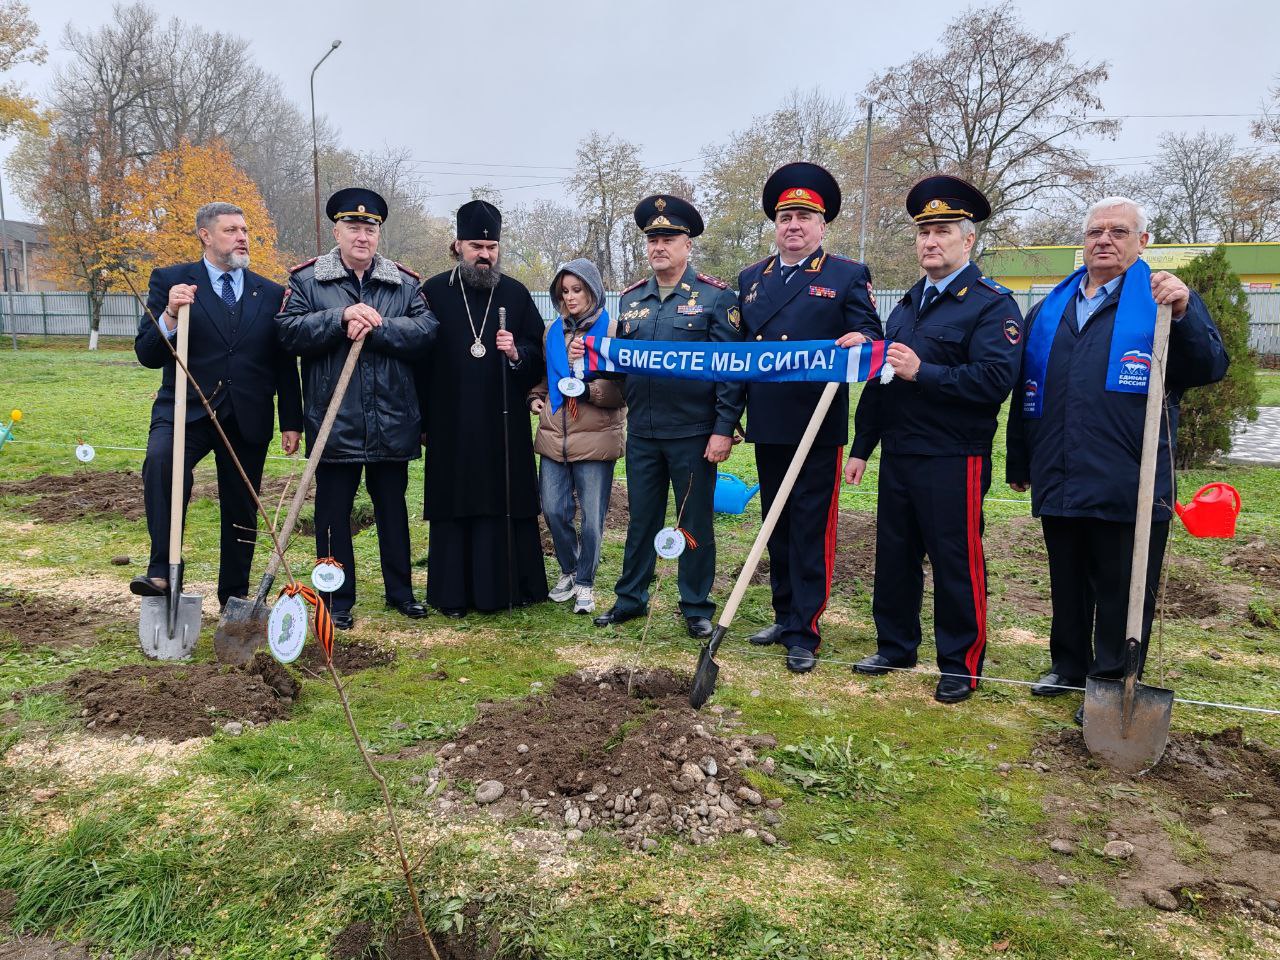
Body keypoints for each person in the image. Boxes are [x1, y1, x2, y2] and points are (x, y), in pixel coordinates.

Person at [1005, 196, 1228, 722]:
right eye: (1095, 231)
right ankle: (1067, 664)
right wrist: (1020, 459)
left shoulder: (1160, 300)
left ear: (1142, 242)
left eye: (1119, 232)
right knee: (1066, 576)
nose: (1104, 240)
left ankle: (1108, 680)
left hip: (1130, 472)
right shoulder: (1049, 307)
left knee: (1122, 585)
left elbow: (1209, 366)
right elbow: (1026, 388)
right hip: (1059, 468)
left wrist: (1186, 311)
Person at [847, 175, 1023, 703]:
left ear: (968, 241)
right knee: (894, 555)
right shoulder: (906, 306)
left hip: (954, 456)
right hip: (900, 451)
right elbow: (884, 378)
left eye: (943, 231)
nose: (930, 241)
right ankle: (895, 645)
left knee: (955, 559)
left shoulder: (992, 305)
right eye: (924, 232)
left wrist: (925, 372)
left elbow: (995, 380)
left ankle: (960, 663)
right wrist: (862, 447)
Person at [737, 162, 882, 673]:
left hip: (817, 423)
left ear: (822, 226)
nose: (793, 225)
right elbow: (738, 354)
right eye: (784, 217)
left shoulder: (846, 275)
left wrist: (862, 340)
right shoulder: (752, 279)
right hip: (770, 420)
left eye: (803, 216)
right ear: (775, 225)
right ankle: (782, 614)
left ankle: (806, 628)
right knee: (773, 523)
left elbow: (871, 336)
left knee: (810, 525)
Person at [275, 188, 437, 630]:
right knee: (332, 513)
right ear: (337, 231)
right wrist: (340, 318)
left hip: (391, 418)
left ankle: (400, 593)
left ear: (378, 234)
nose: (362, 236)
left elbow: (425, 332)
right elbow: (287, 332)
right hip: (334, 421)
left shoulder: (403, 283)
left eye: (370, 228)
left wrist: (379, 326)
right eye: (353, 227)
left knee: (392, 508)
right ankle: (335, 597)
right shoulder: (309, 281)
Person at [133, 201, 303, 608]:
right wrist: (171, 314)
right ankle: (162, 571)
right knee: (161, 464)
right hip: (185, 409)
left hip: (247, 413)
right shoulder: (173, 281)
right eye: (231, 230)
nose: (242, 237)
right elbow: (147, 352)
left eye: (245, 230)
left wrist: (291, 421)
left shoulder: (272, 292)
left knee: (242, 504)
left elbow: (283, 362)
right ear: (205, 236)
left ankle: (234, 596)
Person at [592, 195, 744, 639]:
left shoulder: (716, 298)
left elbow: (731, 371)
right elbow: (620, 365)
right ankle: (630, 598)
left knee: (692, 520)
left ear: (687, 245)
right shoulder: (633, 299)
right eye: (653, 239)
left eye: (669, 239)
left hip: (694, 433)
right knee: (641, 517)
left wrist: (723, 428)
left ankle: (695, 604)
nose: (659, 246)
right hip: (643, 431)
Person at [417, 200, 548, 615]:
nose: (485, 255)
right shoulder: (434, 292)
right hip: (448, 419)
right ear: (458, 245)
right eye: (476, 246)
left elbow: (537, 356)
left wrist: (516, 354)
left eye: (491, 246)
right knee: (454, 498)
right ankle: (451, 595)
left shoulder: (515, 293)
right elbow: (416, 360)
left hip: (501, 420)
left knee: (502, 494)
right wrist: (420, 419)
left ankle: (506, 589)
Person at [527, 258, 626, 615]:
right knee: (553, 510)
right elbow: (544, 377)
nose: (570, 298)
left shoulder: (613, 330)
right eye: (564, 292)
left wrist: (587, 390)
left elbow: (622, 393)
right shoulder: (551, 331)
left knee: (592, 517)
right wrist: (536, 397)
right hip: (555, 435)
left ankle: (586, 582)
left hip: (596, 438)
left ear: (593, 291)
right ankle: (569, 570)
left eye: (577, 290)